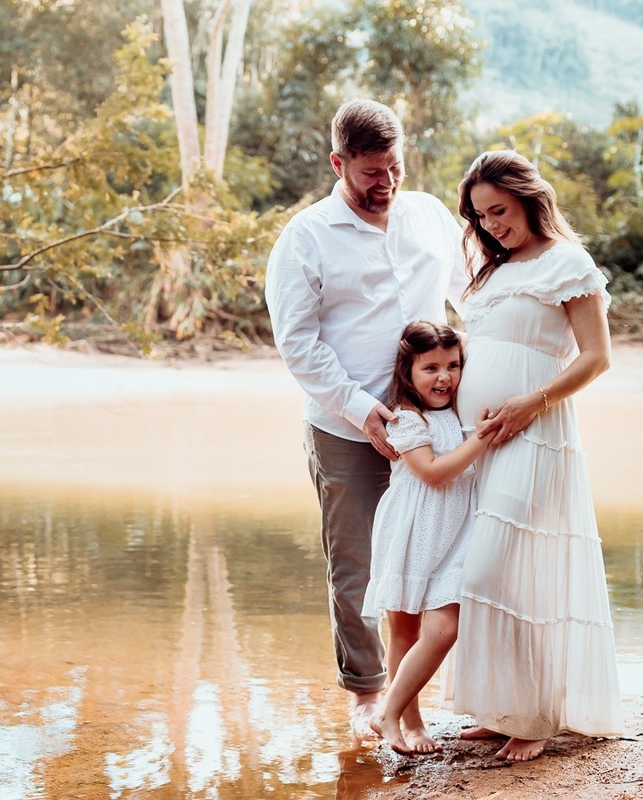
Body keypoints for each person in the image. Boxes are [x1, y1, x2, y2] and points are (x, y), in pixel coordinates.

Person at [265, 98, 468, 739]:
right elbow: (297, 342)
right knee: (356, 560)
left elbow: (471, 294)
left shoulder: (429, 215)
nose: (386, 183)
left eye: (394, 168)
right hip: (345, 426)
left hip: (433, 424)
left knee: (435, 553)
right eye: (371, 172)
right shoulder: (305, 236)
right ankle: (366, 694)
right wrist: (361, 409)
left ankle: (428, 694)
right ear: (338, 163)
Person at [452, 149, 623, 761]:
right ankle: (502, 708)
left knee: (494, 569)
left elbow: (597, 357)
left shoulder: (567, 262)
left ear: (528, 198)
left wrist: (533, 402)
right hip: (479, 443)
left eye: (499, 210)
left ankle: (538, 715)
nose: (491, 224)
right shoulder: (491, 271)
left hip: (535, 433)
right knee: (493, 573)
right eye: (480, 216)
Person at [361, 321, 495, 755]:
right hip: (412, 533)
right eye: (431, 368)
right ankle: (410, 723)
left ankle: (388, 711)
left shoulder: (460, 411)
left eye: (453, 366)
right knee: (404, 632)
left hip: (456, 536)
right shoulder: (404, 418)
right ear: (408, 372)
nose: (444, 377)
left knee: (443, 628)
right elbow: (433, 474)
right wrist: (483, 439)